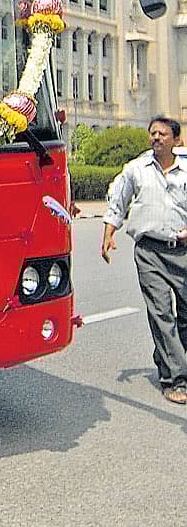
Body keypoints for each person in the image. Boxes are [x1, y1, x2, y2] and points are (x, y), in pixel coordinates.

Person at [101, 116, 187, 405]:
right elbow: (118, 199)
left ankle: (168, 358)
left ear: (176, 140)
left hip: (184, 251)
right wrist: (108, 232)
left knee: (184, 319)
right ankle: (175, 378)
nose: (157, 138)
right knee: (161, 314)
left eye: (163, 134)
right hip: (150, 252)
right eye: (153, 133)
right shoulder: (136, 169)